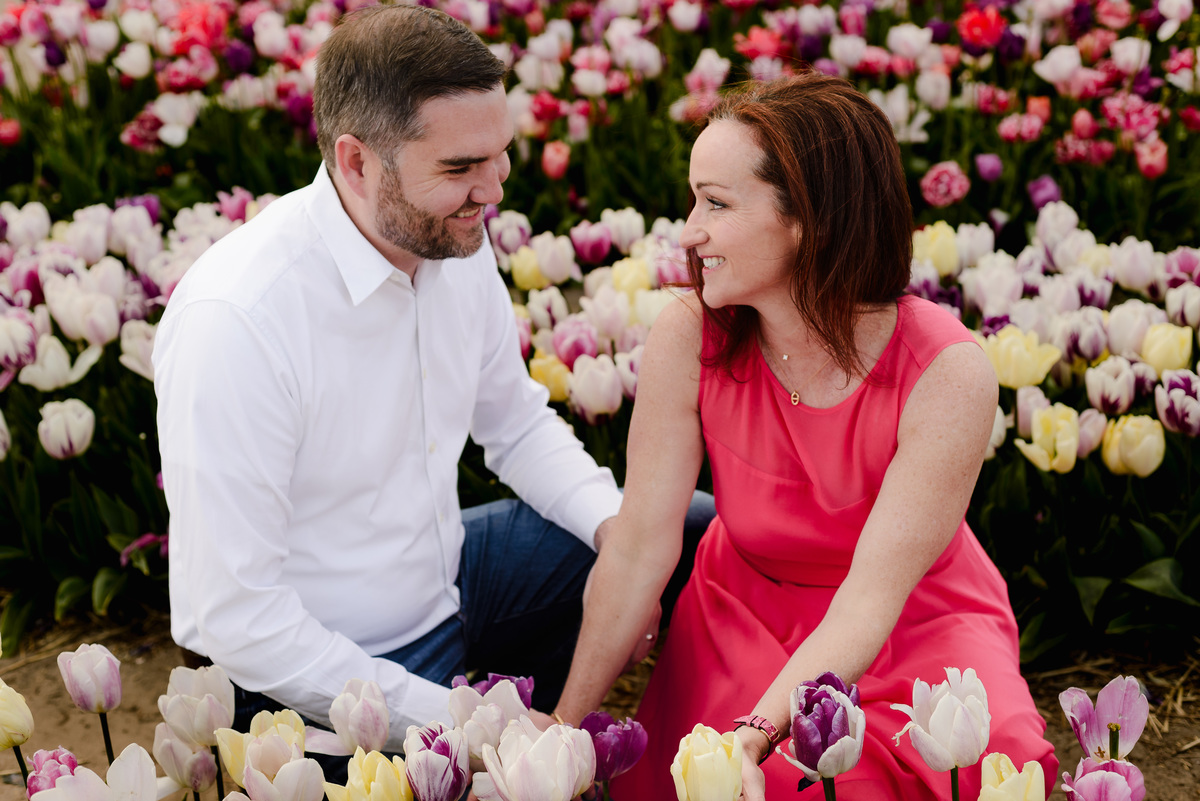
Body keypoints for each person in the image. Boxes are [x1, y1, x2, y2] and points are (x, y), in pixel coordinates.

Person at [152, 4, 712, 753]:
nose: (494, 192)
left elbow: (513, 422)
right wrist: (460, 720)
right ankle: (526, 734)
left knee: (680, 530)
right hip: (324, 662)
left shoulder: (453, 238)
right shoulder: (240, 320)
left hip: (448, 571)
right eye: (459, 169)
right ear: (356, 162)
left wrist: (621, 542)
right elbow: (234, 616)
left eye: (499, 156)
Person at [552, 73, 1057, 800]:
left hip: (910, 619)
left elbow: (867, 602)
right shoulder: (689, 335)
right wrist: (564, 732)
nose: (688, 230)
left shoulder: (946, 371)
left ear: (808, 218)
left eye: (716, 204)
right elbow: (637, 550)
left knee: (833, 779)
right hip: (742, 610)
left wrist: (756, 736)